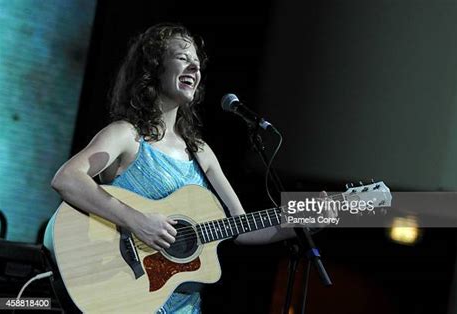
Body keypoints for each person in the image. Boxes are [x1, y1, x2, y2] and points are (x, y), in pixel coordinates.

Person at [43, 23, 297, 313]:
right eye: (182, 58)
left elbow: (242, 228)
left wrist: (316, 214)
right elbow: (67, 179)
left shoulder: (200, 152)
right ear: (154, 68)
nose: (194, 67)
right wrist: (137, 221)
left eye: (197, 64)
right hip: (126, 296)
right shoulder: (127, 135)